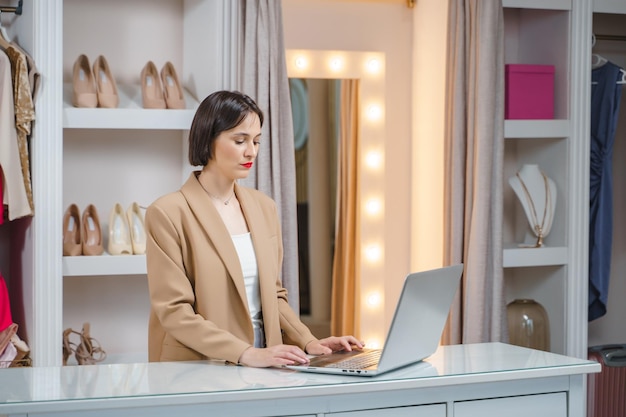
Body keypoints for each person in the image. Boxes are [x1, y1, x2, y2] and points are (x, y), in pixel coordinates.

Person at [145, 90, 363, 368]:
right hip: (199, 366)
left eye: (256, 141)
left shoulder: (264, 207)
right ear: (208, 138)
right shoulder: (168, 212)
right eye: (240, 140)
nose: (251, 151)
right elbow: (174, 312)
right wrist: (246, 352)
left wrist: (309, 342)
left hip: (265, 363)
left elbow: (274, 295)